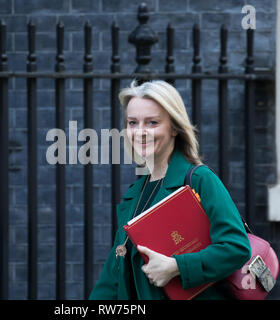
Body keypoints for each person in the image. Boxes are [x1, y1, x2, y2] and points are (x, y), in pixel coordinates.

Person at [89, 80, 251, 300]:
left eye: (152, 122)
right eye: (133, 122)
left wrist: (176, 266)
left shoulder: (200, 179)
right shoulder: (135, 194)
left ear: (174, 127)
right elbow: (113, 276)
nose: (140, 132)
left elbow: (236, 248)